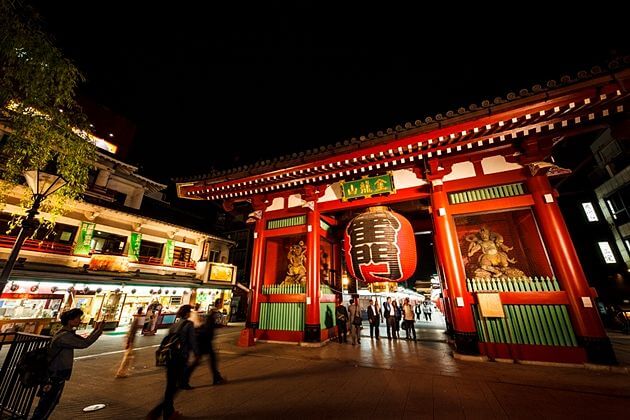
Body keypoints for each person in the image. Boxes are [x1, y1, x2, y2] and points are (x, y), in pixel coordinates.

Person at [31, 308, 104, 420]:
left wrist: (96, 330)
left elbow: (83, 341)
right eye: (77, 318)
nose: (79, 320)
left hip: (54, 373)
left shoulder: (63, 333)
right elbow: (84, 343)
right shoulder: (65, 337)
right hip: (55, 375)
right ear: (70, 321)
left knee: (46, 402)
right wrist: (98, 330)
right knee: (48, 403)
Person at [148, 305, 199, 420]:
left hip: (170, 358)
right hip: (180, 358)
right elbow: (192, 341)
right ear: (186, 314)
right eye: (189, 312)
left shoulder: (174, 325)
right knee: (177, 385)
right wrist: (196, 353)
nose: (190, 314)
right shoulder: (189, 324)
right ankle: (160, 411)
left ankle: (168, 412)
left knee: (170, 385)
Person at [187, 299, 226, 386]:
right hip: (205, 340)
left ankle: (216, 377)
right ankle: (184, 378)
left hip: (204, 339)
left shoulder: (211, 313)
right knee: (203, 360)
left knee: (209, 360)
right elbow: (208, 326)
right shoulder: (213, 313)